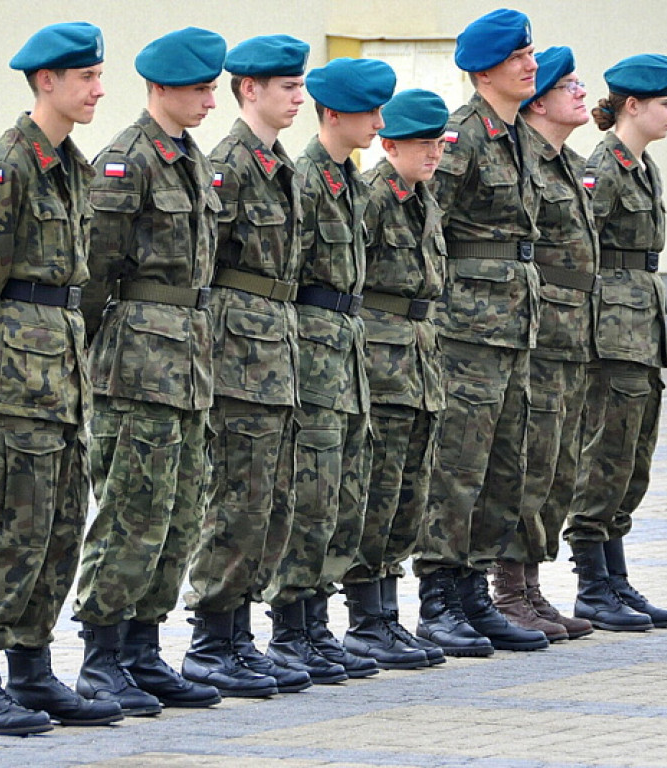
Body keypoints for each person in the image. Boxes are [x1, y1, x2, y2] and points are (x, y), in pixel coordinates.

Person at [0, 22, 123, 734]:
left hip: (64, 373)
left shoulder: (73, 167)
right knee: (12, 527)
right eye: (86, 77)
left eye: (98, 75)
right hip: (17, 377)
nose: (98, 89)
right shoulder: (8, 165)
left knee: (59, 527)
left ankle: (31, 668)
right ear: (46, 81)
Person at [72, 28, 226, 713]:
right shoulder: (126, 160)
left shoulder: (191, 159)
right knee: (132, 512)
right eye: (199, 89)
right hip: (136, 365)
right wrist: (93, 352)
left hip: (188, 363)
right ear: (160, 88)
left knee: (179, 512)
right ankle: (102, 656)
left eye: (212, 89)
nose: (209, 101)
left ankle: (142, 649)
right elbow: (94, 272)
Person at [411, 7, 548, 656]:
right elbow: (425, 226)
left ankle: (473, 594)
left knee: (503, 469)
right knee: (457, 468)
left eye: (530, 54)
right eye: (518, 57)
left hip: (514, 329)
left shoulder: (517, 135)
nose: (531, 65)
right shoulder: (462, 136)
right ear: (485, 70)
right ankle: (438, 598)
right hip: (466, 333)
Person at [181, 35, 313, 697]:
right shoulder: (228, 165)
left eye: (300, 86)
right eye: (287, 87)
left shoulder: (278, 163)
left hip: (275, 352)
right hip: (238, 357)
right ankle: (211, 639)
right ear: (250, 90)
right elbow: (204, 268)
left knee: (269, 503)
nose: (298, 98)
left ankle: (238, 635)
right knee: (236, 500)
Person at [263, 57, 396, 682]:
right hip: (313, 356)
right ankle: (291, 629)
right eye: (369, 112)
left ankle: (317, 624)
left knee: (341, 496)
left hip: (345, 351)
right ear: (335, 114)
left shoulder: (350, 182)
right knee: (308, 495)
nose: (379, 123)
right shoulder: (307, 180)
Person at [563, 53, 667, 632]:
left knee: (633, 459)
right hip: (611, 335)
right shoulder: (604, 168)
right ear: (632, 106)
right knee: (605, 457)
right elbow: (578, 249)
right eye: (666, 104)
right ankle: (592, 586)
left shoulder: (643, 165)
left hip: (641, 331)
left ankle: (615, 579)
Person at [339, 89, 451, 670]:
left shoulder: (423, 199)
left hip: (418, 359)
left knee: (409, 495)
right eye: (421, 144)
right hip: (382, 363)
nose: (432, 154)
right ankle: (366, 620)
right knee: (377, 494)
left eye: (438, 144)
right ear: (389, 146)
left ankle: (387, 615)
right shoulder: (374, 198)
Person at [490, 46, 598, 643]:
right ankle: (508, 590)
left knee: (557, 468)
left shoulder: (567, 163)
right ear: (538, 103)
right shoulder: (523, 160)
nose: (581, 93)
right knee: (526, 465)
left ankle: (531, 586)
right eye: (568, 85)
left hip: (569, 334)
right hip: (533, 331)